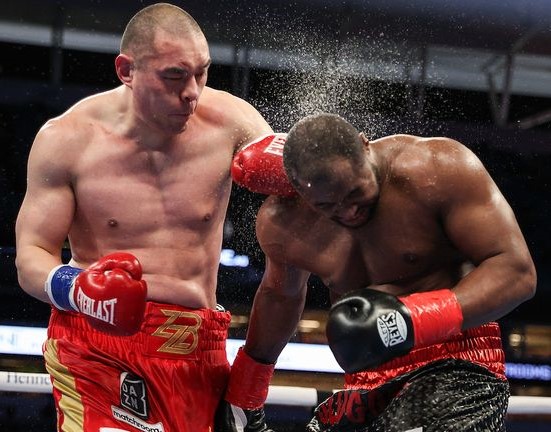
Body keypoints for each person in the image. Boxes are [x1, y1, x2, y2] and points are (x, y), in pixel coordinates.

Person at [15, 3, 279, 431]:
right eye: (175, 75)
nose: (192, 91)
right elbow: (31, 256)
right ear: (127, 70)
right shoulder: (67, 140)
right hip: (97, 348)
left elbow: (302, 194)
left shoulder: (232, 120)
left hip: (199, 351)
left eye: (202, 72)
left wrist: (318, 167)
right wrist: (79, 290)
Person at [231, 112, 537, 431]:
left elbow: (516, 272)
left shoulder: (436, 169)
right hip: (365, 381)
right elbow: (280, 297)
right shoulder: (283, 224)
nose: (348, 212)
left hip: (456, 364)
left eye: (354, 192)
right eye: (328, 206)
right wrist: (245, 392)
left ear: (365, 146)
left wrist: (409, 320)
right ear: (299, 192)